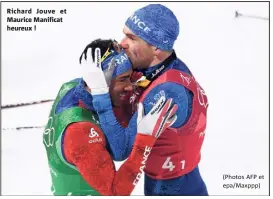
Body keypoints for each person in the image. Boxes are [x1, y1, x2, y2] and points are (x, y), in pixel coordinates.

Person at [88, 4, 209, 196]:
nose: (122, 43)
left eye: (132, 38)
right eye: (124, 34)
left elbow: (121, 150)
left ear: (156, 48)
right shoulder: (164, 66)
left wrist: (100, 94)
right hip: (171, 181)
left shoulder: (168, 92)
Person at [42, 39, 178, 196]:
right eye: (123, 79)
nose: (130, 85)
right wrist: (145, 139)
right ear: (100, 82)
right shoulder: (81, 133)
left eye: (130, 77)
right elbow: (116, 192)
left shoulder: (70, 87)